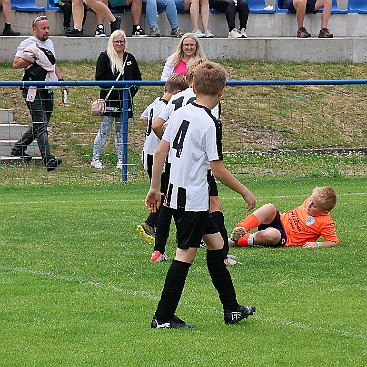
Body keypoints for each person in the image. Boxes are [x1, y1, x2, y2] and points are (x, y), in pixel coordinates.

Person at [145, 61, 256, 328]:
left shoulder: (181, 112)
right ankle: (163, 317)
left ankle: (231, 309)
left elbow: (160, 151)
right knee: (185, 254)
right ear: (222, 90)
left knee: (218, 245)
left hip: (176, 192)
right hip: (193, 199)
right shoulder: (209, 123)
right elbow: (216, 169)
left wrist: (155, 187)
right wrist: (245, 192)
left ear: (193, 87)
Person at [137, 73, 189, 251]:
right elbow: (159, 126)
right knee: (167, 194)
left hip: (148, 153)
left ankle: (164, 229)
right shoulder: (168, 107)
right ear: (179, 92)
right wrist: (169, 143)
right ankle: (150, 223)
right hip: (158, 156)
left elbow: (144, 118)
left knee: (167, 192)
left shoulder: (155, 102)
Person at [11, 16, 64, 172]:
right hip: (32, 87)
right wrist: (35, 58)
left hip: (48, 86)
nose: (47, 31)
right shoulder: (27, 44)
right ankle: (48, 160)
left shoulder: (49, 43)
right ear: (35, 30)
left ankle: (19, 148)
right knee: (41, 124)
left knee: (42, 122)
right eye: (43, 28)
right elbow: (15, 63)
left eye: (48, 28)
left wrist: (61, 81)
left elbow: (52, 64)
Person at [90, 30, 141, 170]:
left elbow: (137, 78)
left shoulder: (130, 58)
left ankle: (121, 159)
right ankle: (95, 158)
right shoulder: (105, 57)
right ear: (111, 42)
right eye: (116, 41)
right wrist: (116, 87)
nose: (119, 44)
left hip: (125, 101)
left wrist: (130, 92)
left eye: (121, 41)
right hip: (109, 101)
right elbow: (99, 79)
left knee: (121, 131)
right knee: (104, 130)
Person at [229, 187, 338, 248]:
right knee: (269, 207)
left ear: (325, 211)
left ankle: (237, 241)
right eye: (310, 200)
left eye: (314, 206)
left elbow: (333, 242)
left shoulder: (326, 223)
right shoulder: (311, 200)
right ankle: (241, 228)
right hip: (279, 219)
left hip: (284, 236)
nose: (309, 204)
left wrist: (317, 244)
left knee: (272, 235)